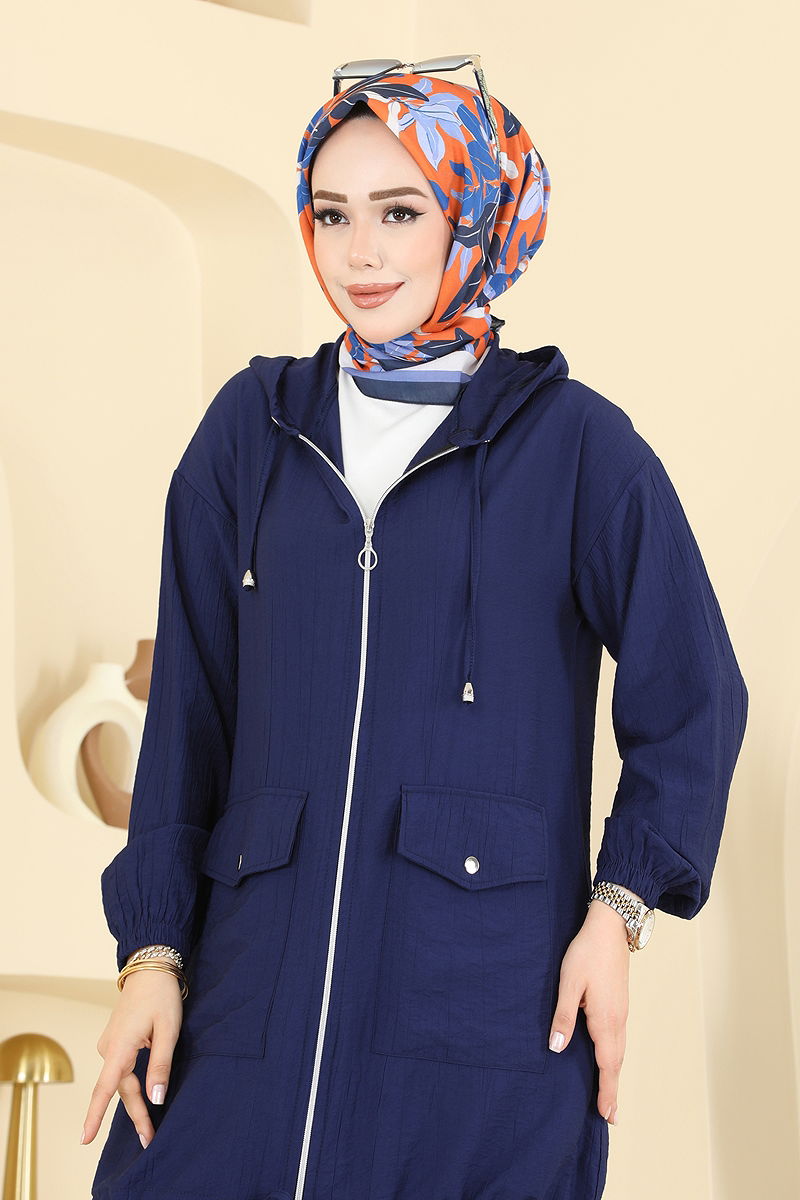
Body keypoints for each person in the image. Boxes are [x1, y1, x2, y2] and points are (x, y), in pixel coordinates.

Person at [83, 62, 749, 1200]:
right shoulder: (250, 431)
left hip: (482, 1005)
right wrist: (151, 952)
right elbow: (189, 716)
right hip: (247, 994)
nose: (361, 253)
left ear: (473, 220)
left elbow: (696, 695)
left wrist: (617, 914)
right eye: (333, 214)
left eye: (400, 213)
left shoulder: (577, 448)